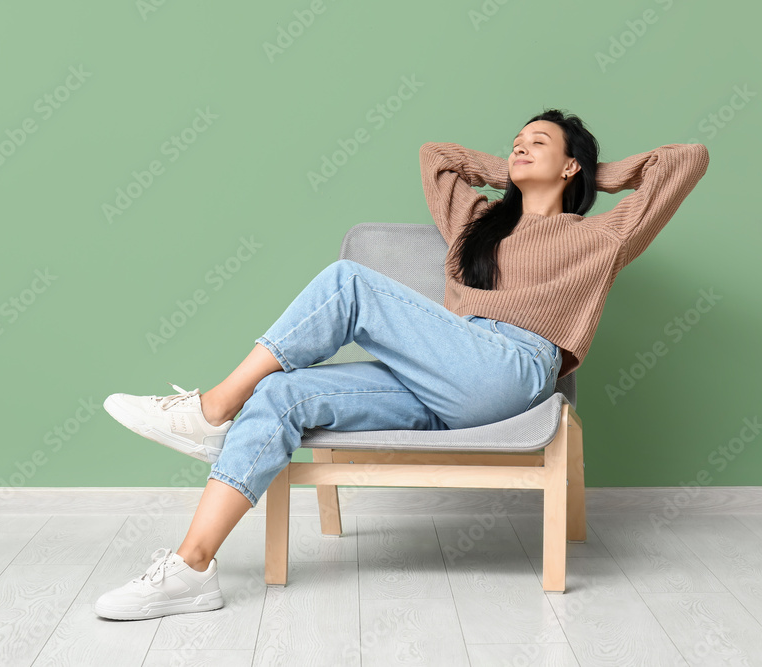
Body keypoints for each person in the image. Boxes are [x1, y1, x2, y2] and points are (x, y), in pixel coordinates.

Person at [93, 108, 710, 620]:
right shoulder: (475, 225)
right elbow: (435, 155)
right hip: (445, 376)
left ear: (572, 162)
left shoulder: (600, 236)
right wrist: (516, 171)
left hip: (511, 369)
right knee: (280, 396)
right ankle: (192, 569)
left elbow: (687, 160)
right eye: (514, 142)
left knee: (348, 283)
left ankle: (212, 409)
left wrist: (592, 177)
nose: (519, 148)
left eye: (538, 143)